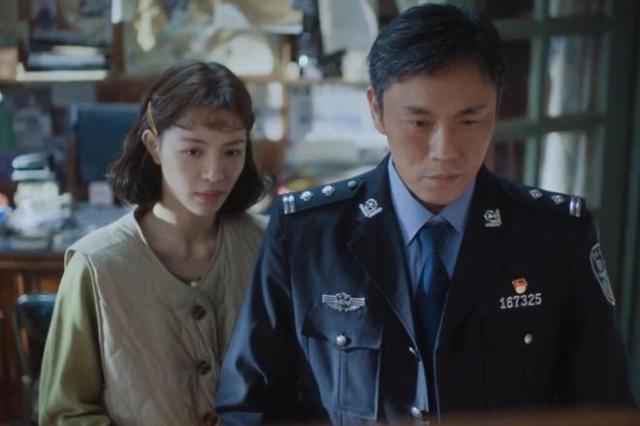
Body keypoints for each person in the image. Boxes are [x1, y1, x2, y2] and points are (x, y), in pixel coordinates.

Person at [214, 4, 635, 424]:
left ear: (496, 108)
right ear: (376, 110)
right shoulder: (307, 234)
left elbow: (601, 407)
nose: (444, 151)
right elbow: (248, 407)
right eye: (419, 123)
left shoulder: (555, 236)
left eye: (469, 121)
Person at [38, 61, 265, 425]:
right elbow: (65, 412)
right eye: (193, 151)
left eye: (232, 152)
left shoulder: (269, 247)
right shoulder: (97, 266)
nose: (215, 173)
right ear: (154, 146)